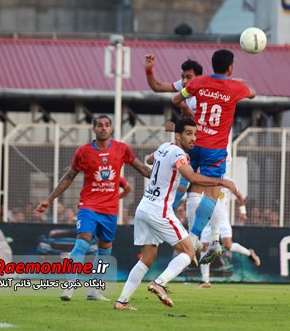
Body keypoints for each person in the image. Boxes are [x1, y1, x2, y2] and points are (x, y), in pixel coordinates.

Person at [113, 118, 239, 310]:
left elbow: (149, 160)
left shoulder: (164, 147)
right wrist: (222, 182)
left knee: (147, 259)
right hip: (159, 210)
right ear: (177, 136)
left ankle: (122, 301)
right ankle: (159, 283)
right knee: (188, 252)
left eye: (195, 134)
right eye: (188, 134)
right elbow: (192, 177)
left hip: (144, 207)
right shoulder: (178, 154)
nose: (193, 138)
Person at [36, 114, 152, 302]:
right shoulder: (83, 152)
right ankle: (69, 286)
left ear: (111, 128)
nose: (103, 128)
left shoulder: (122, 149)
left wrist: (166, 176)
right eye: (100, 125)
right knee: (83, 242)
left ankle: (94, 290)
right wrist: (49, 199)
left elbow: (142, 168)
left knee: (105, 249)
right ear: (94, 129)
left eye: (107, 125)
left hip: (110, 210)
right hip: (88, 206)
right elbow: (69, 177)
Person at [172, 49, 256, 260]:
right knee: (212, 194)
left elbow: (176, 99)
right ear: (230, 67)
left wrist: (188, 111)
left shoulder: (199, 82)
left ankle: (173, 218)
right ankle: (194, 237)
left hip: (195, 142)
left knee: (190, 184)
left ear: (212, 64)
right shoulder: (235, 87)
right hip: (215, 149)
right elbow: (253, 92)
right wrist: (240, 80)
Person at [144, 54, 203, 210]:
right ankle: (165, 213)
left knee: (198, 189)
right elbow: (157, 87)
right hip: (191, 144)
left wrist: (184, 110)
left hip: (206, 145)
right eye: (183, 77)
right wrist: (149, 70)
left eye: (188, 77)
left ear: (198, 78)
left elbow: (202, 125)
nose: (184, 81)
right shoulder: (185, 89)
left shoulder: (205, 93)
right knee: (181, 185)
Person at [197, 181, 260, 288]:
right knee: (204, 248)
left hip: (222, 220)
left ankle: (249, 253)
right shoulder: (204, 179)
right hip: (208, 221)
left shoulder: (227, 181)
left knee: (228, 246)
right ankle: (205, 280)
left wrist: (243, 212)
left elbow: (239, 196)